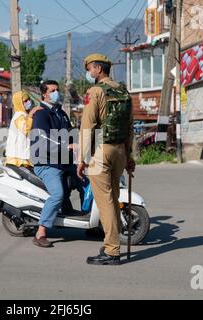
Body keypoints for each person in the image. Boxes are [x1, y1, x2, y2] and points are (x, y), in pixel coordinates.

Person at [77, 53, 135, 265]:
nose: (89, 72)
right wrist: (129, 155)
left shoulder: (95, 91)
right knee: (113, 198)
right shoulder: (123, 91)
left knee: (105, 202)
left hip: (102, 151)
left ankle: (112, 251)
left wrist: (82, 159)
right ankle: (111, 242)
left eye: (90, 68)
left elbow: (88, 126)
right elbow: (129, 127)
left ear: (98, 69)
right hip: (120, 150)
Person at [30, 80, 75, 248]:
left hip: (62, 160)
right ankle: (41, 232)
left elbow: (71, 133)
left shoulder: (60, 112)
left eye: (58, 89)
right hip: (47, 162)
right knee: (57, 194)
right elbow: (43, 139)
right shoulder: (41, 114)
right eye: (53, 90)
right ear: (44, 94)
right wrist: (66, 145)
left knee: (87, 179)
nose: (57, 93)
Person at [5, 90, 42, 168]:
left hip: (22, 154)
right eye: (25, 101)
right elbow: (25, 128)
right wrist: (31, 114)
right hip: (17, 157)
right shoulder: (19, 116)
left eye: (29, 99)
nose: (28, 102)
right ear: (19, 103)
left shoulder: (24, 115)